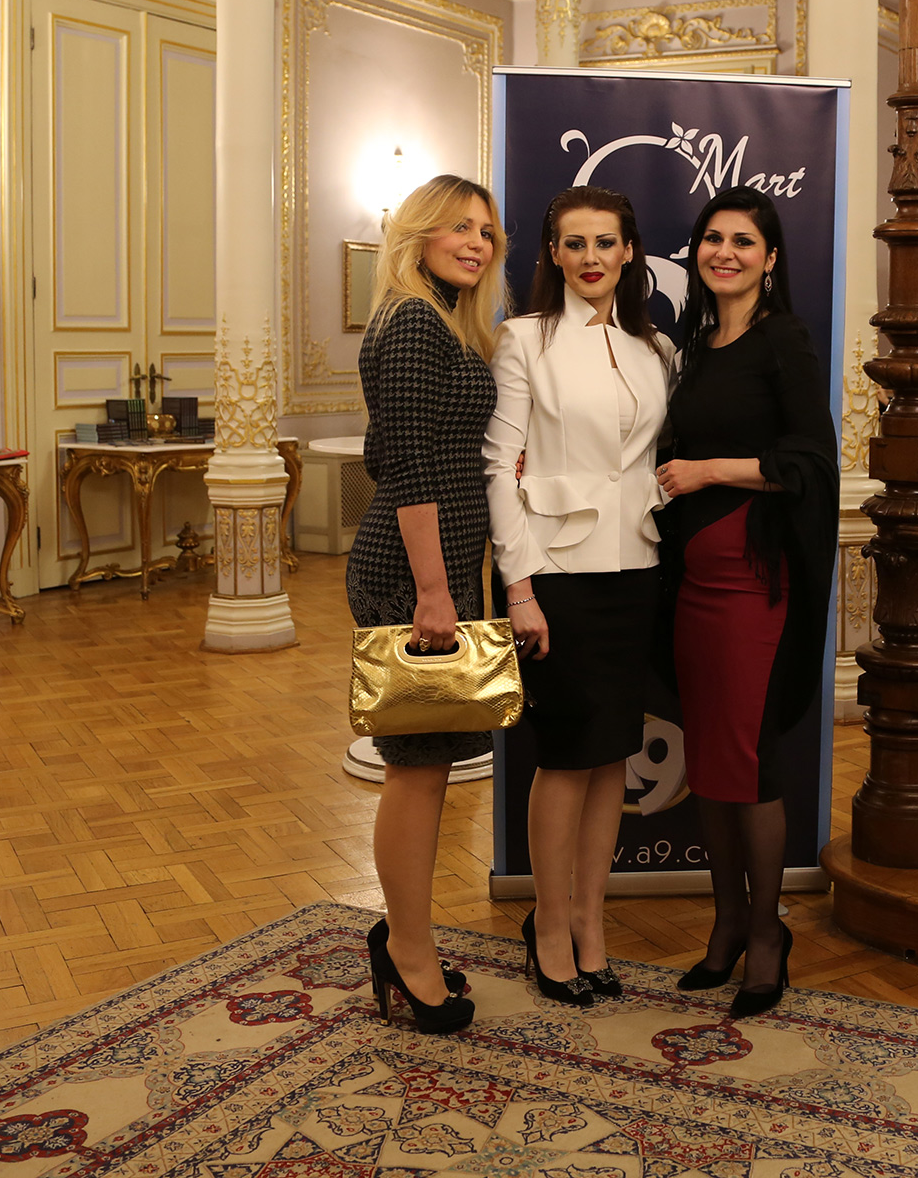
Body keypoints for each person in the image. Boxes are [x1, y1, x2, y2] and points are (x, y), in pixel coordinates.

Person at [484, 186, 673, 1008]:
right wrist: (518, 588)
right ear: (553, 255)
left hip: (637, 570)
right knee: (565, 760)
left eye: (605, 242)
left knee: (611, 759)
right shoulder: (524, 339)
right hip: (556, 576)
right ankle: (550, 928)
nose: (591, 257)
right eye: (574, 243)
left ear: (629, 251)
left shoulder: (656, 348)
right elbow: (500, 468)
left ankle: (592, 926)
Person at [655, 186, 839, 1020]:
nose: (723, 252)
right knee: (710, 762)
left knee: (747, 761)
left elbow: (808, 463)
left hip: (753, 584)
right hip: (692, 586)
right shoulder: (698, 346)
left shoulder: (782, 339)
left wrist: (708, 471)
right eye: (712, 238)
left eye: (742, 241)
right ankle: (726, 923)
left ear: (770, 259)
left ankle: (767, 934)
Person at [348, 173, 509, 1035]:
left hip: (438, 568)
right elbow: (408, 466)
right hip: (413, 574)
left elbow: (432, 449)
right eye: (459, 227)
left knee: (430, 768)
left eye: (486, 231)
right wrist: (436, 589)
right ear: (417, 235)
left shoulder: (440, 319)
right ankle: (407, 953)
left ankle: (406, 938)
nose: (477, 243)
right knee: (414, 772)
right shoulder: (412, 320)